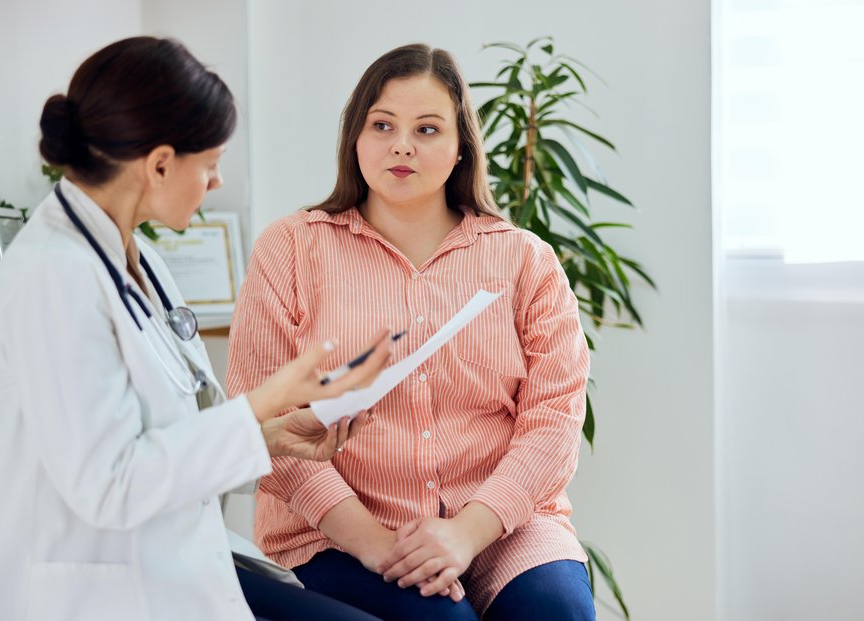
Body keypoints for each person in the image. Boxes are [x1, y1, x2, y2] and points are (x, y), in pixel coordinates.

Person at [0, 37, 389, 621]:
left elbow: (168, 431)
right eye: (210, 163)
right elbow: (110, 484)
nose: (216, 182)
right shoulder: (52, 280)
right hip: (86, 592)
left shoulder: (138, 261)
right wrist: (264, 400)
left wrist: (270, 434)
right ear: (160, 164)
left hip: (167, 564)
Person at [227, 43, 596, 621]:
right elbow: (263, 419)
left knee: (555, 613)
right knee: (439, 619)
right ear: (355, 137)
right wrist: (377, 544)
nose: (402, 144)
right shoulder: (291, 249)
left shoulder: (525, 261)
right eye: (382, 125)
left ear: (460, 150)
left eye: (427, 129)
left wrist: (468, 532)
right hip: (335, 534)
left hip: (503, 525)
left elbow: (553, 423)